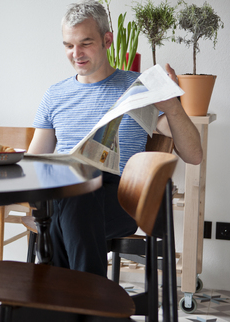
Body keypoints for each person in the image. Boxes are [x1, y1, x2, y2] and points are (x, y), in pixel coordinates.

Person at [27, 0, 203, 277]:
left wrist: (171, 105)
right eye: (69, 45)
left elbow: (194, 155)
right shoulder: (55, 95)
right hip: (65, 194)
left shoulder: (137, 90)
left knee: (67, 207)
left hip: (121, 197)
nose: (76, 54)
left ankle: (59, 300)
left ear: (107, 40)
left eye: (85, 43)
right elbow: (36, 161)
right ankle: (89, 308)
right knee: (69, 198)